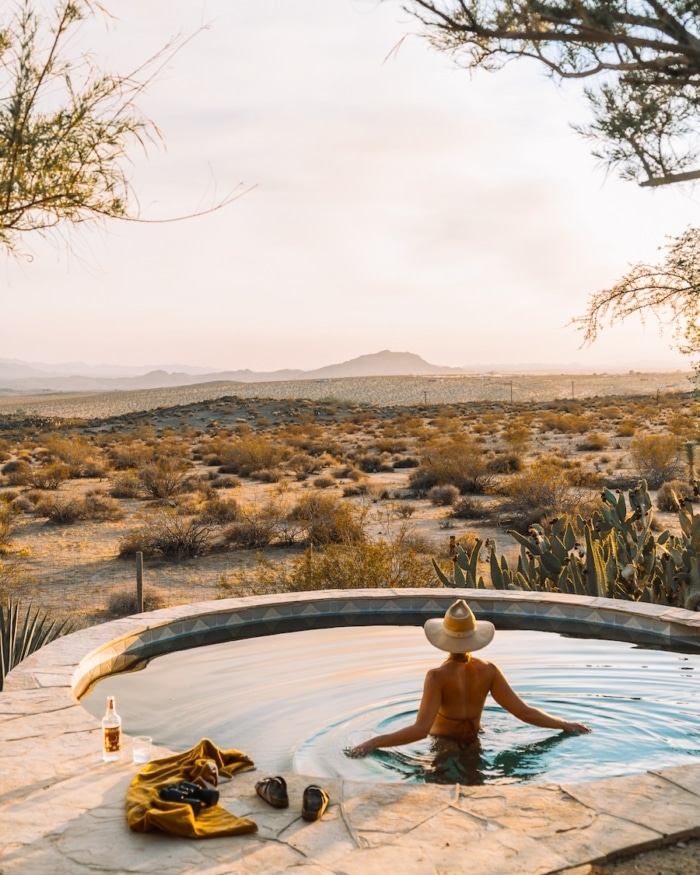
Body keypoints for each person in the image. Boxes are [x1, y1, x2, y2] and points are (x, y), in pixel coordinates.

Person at [348, 599, 590, 758]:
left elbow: (421, 730)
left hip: (444, 747)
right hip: (476, 743)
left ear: (443, 637)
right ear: (475, 636)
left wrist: (374, 742)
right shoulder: (489, 670)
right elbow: (524, 713)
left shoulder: (437, 677)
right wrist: (565, 724)